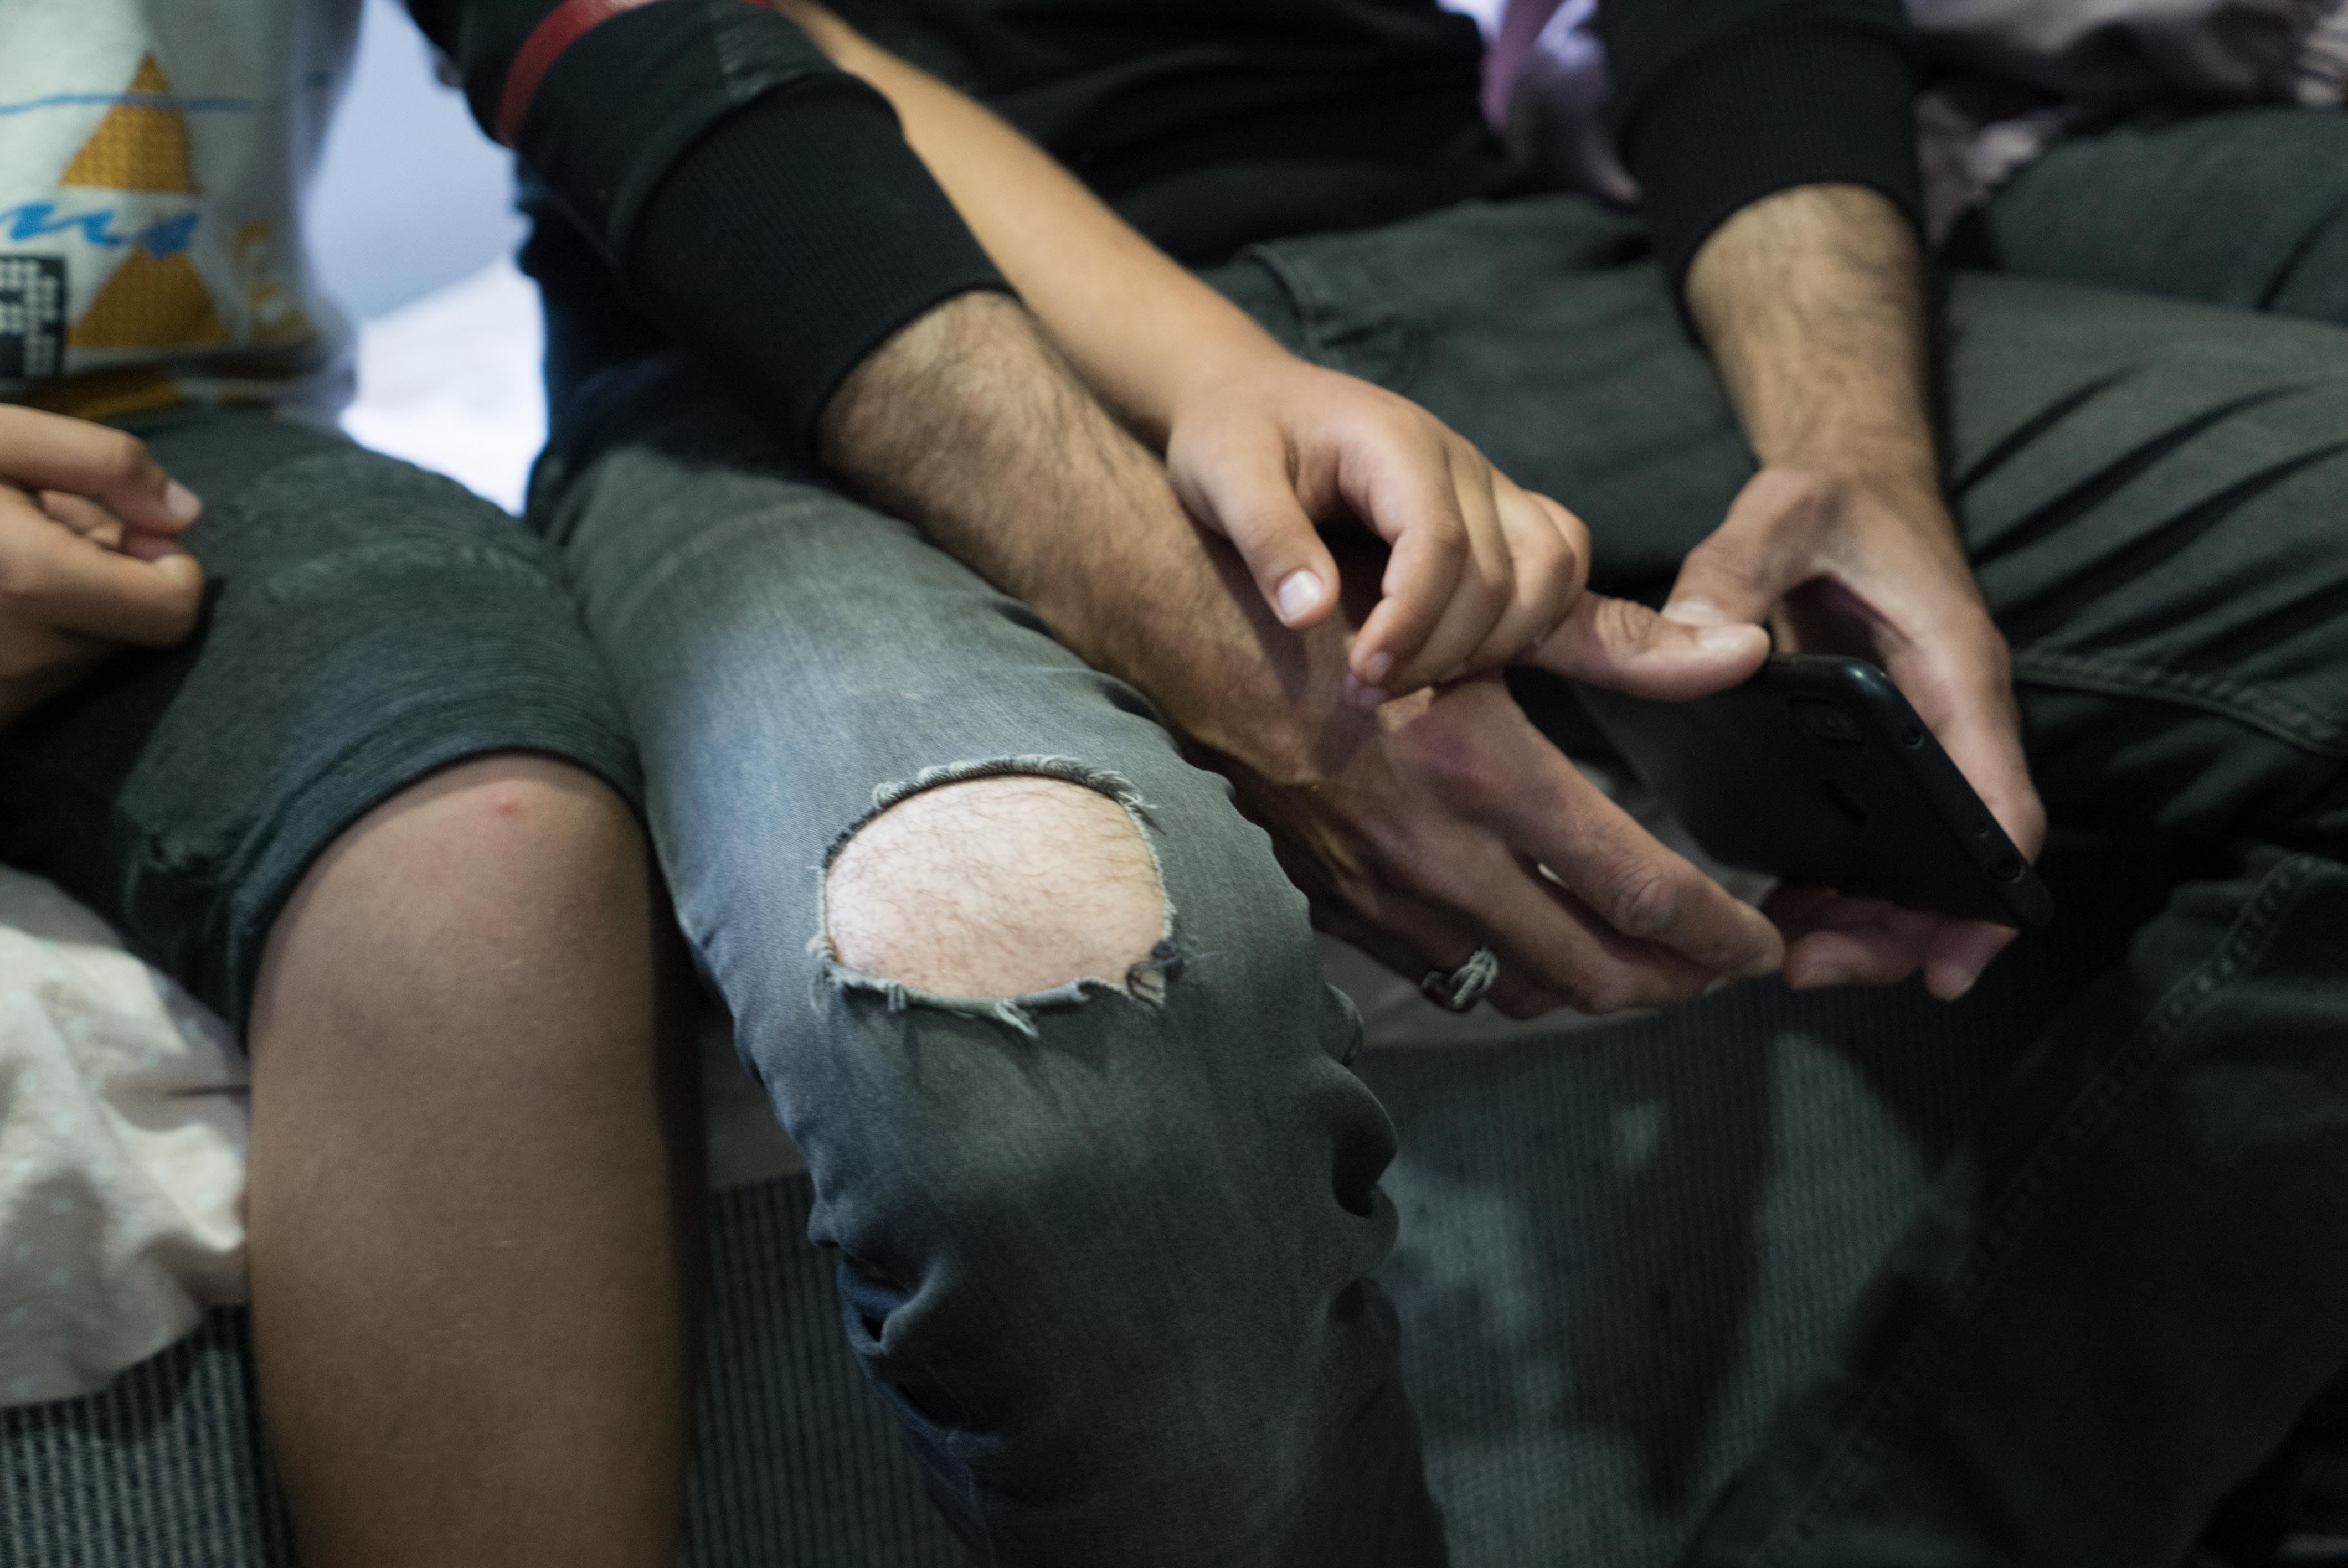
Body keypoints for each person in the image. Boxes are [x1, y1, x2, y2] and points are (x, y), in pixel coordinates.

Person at [506, 1, 2347, 1564]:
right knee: (1027, 977)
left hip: (1459, 255)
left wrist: (1851, 445)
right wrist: (1230, 621)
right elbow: (640, 48)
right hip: (771, 371)